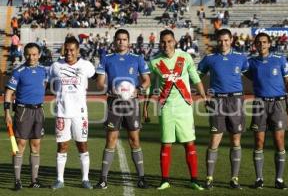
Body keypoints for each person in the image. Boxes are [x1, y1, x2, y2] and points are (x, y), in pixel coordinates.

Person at [149, 29, 207, 191]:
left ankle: (194, 180)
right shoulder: (154, 62)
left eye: (169, 41)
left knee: (189, 143)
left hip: (184, 108)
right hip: (165, 108)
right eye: (163, 42)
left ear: (174, 42)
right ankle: (164, 180)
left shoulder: (185, 57)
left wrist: (204, 97)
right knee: (166, 143)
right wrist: (145, 107)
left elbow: (196, 79)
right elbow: (148, 84)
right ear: (159, 43)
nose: (166, 45)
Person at [95, 29, 150, 189]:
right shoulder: (106, 58)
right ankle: (103, 179)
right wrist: (108, 89)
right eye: (119, 39)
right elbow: (99, 82)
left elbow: (146, 80)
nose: (121, 42)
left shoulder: (137, 58)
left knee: (134, 140)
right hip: (114, 103)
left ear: (129, 41)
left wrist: (137, 90)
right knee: (111, 140)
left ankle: (141, 178)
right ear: (114, 41)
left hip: (131, 103)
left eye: (124, 39)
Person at [197, 28, 249, 189]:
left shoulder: (241, 58)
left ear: (231, 40)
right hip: (217, 101)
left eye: (226, 40)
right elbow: (196, 77)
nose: (223, 43)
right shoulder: (210, 58)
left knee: (235, 140)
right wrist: (204, 96)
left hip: (236, 100)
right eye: (220, 40)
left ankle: (234, 179)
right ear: (217, 41)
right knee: (214, 140)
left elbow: (253, 75)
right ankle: (209, 177)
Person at [246, 32, 288, 190]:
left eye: (264, 42)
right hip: (260, 104)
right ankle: (259, 179)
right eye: (259, 43)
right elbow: (248, 75)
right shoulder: (251, 62)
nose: (262, 45)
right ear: (255, 45)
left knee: (279, 142)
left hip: (278, 104)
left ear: (269, 43)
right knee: (258, 142)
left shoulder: (280, 59)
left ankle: (279, 179)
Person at [49, 36, 95, 190]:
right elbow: (46, 81)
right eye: (66, 50)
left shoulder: (87, 66)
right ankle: (60, 180)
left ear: (77, 51)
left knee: (82, 145)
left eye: (72, 50)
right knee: (62, 146)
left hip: (80, 114)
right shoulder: (56, 66)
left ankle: (85, 179)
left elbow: (98, 75)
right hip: (62, 112)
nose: (68, 53)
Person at [4, 43, 47, 191]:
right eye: (28, 54)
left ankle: (34, 180)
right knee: (20, 145)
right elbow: (8, 93)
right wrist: (7, 113)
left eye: (34, 54)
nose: (31, 57)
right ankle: (17, 180)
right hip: (23, 112)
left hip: (39, 111)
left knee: (36, 146)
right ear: (24, 55)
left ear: (39, 55)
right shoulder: (18, 71)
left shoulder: (43, 71)